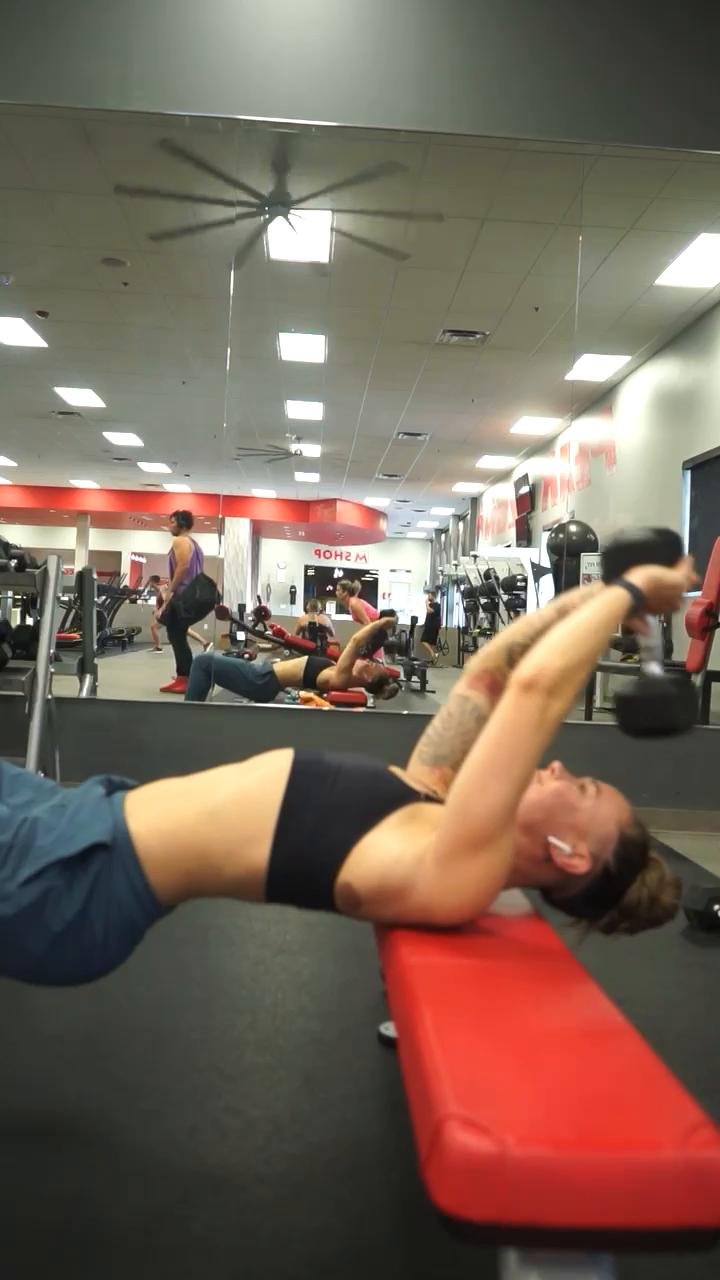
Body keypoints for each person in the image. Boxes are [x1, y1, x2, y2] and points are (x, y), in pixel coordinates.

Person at [0, 553, 695, 986]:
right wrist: (593, 598)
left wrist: (630, 593)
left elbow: (537, 690)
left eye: (583, 788)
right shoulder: (431, 801)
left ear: (570, 854)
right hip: (77, 820)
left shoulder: (458, 874)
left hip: (71, 875)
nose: (562, 768)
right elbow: (494, 672)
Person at [185, 617, 399, 703]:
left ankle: (188, 715)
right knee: (208, 664)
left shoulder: (341, 678)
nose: (370, 661)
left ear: (368, 678)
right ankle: (194, 712)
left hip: (260, 680)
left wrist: (381, 623)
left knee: (203, 661)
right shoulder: (344, 673)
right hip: (264, 674)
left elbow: (356, 641)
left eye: (373, 665)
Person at [158, 511, 205, 694]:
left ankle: (185, 679)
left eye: (172, 522)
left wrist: (170, 591)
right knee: (178, 635)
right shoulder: (195, 544)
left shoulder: (180, 541)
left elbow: (183, 566)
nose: (169, 525)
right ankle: (185, 677)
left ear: (182, 524)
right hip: (192, 593)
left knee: (176, 636)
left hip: (184, 594)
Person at [146, 574, 210, 655]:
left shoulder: (163, 588)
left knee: (154, 627)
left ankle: (158, 647)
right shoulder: (158, 590)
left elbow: (167, 601)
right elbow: (159, 602)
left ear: (152, 582)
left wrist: (160, 611)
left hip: (172, 612)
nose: (149, 584)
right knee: (185, 630)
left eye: (149, 582)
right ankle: (205, 643)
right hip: (171, 612)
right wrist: (156, 609)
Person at [335, 578, 385, 661]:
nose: (336, 592)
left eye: (338, 590)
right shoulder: (351, 602)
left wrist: (359, 639)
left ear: (345, 592)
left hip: (376, 630)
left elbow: (368, 624)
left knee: (372, 661)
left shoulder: (354, 603)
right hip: (374, 629)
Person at [419, 591, 442, 664]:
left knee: (423, 640)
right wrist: (424, 624)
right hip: (428, 625)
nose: (428, 598)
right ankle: (434, 657)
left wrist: (426, 603)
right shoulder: (430, 605)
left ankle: (433, 654)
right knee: (431, 643)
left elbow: (430, 611)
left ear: (433, 596)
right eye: (428, 596)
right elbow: (428, 616)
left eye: (429, 596)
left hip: (433, 626)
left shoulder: (437, 605)